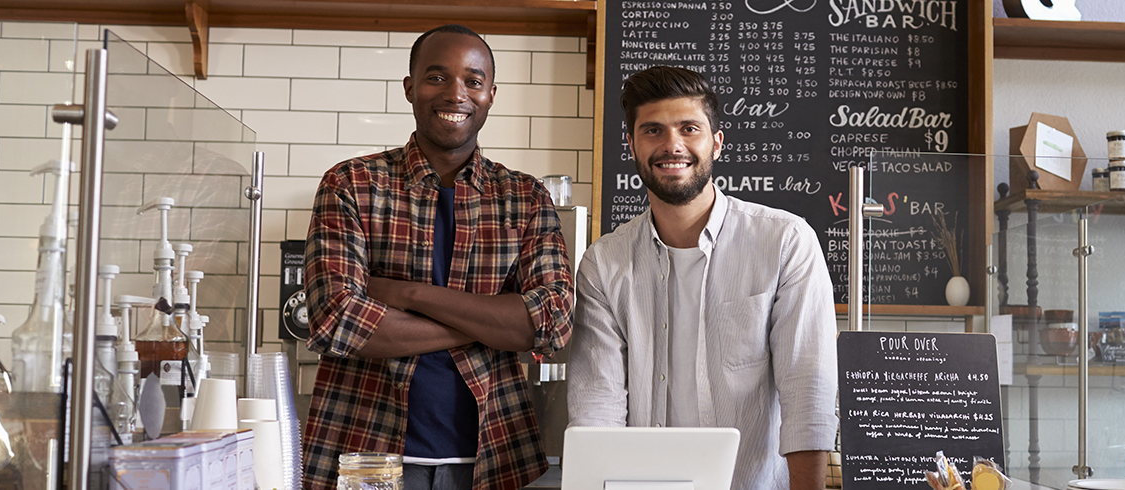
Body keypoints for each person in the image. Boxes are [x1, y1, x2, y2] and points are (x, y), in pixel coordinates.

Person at [302, 24, 573, 490]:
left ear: (490, 94)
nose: (455, 93)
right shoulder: (351, 184)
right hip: (366, 456)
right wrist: (490, 325)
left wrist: (406, 294)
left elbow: (549, 323)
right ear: (410, 88)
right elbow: (335, 319)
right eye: (436, 77)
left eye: (472, 80)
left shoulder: (525, 196)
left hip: (493, 459)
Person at [567, 65, 838, 490]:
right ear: (632, 145)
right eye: (652, 131)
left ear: (716, 143)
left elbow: (807, 391)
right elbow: (595, 409)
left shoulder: (785, 242)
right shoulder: (604, 264)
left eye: (688, 128)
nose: (671, 145)